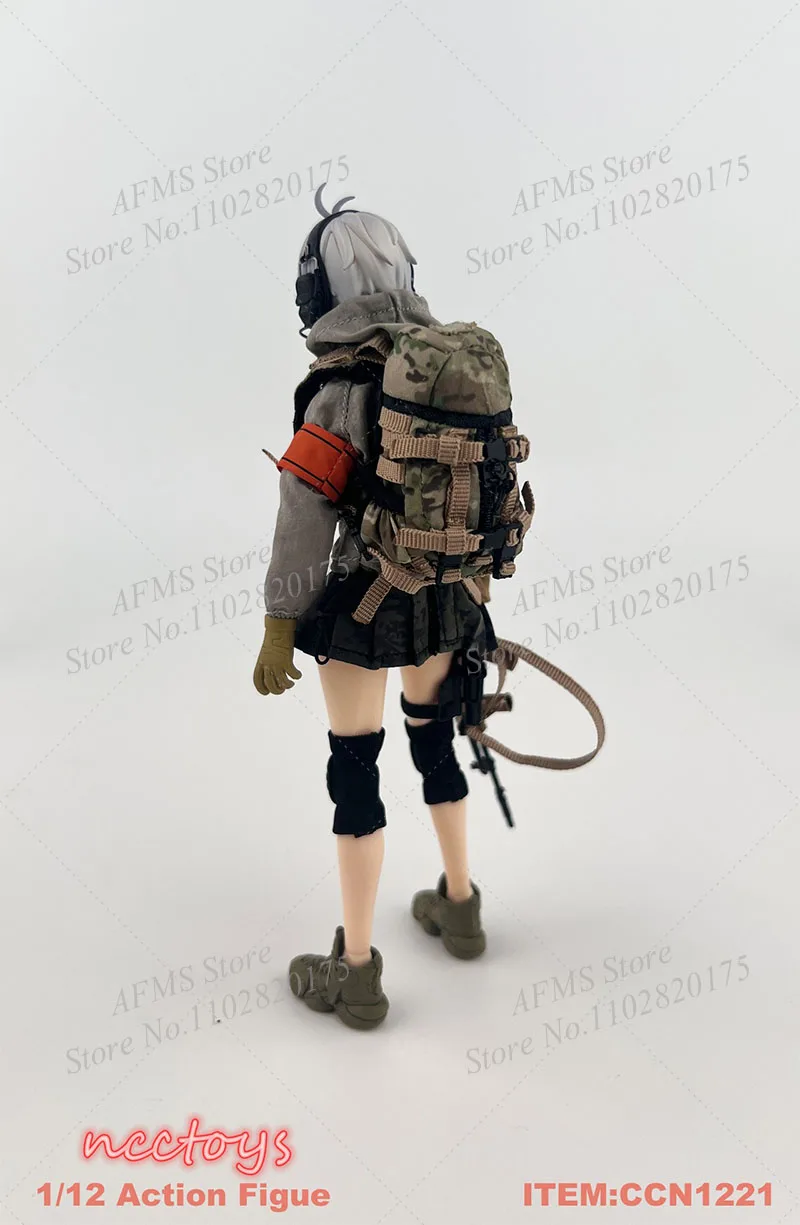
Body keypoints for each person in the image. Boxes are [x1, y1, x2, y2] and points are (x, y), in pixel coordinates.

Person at [253, 195, 510, 1031]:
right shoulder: (435, 370)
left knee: (355, 769)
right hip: (445, 597)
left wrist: (280, 622)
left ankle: (357, 971)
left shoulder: (337, 389)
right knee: (435, 742)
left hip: (362, 609)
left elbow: (303, 516)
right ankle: (461, 902)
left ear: (319, 289)